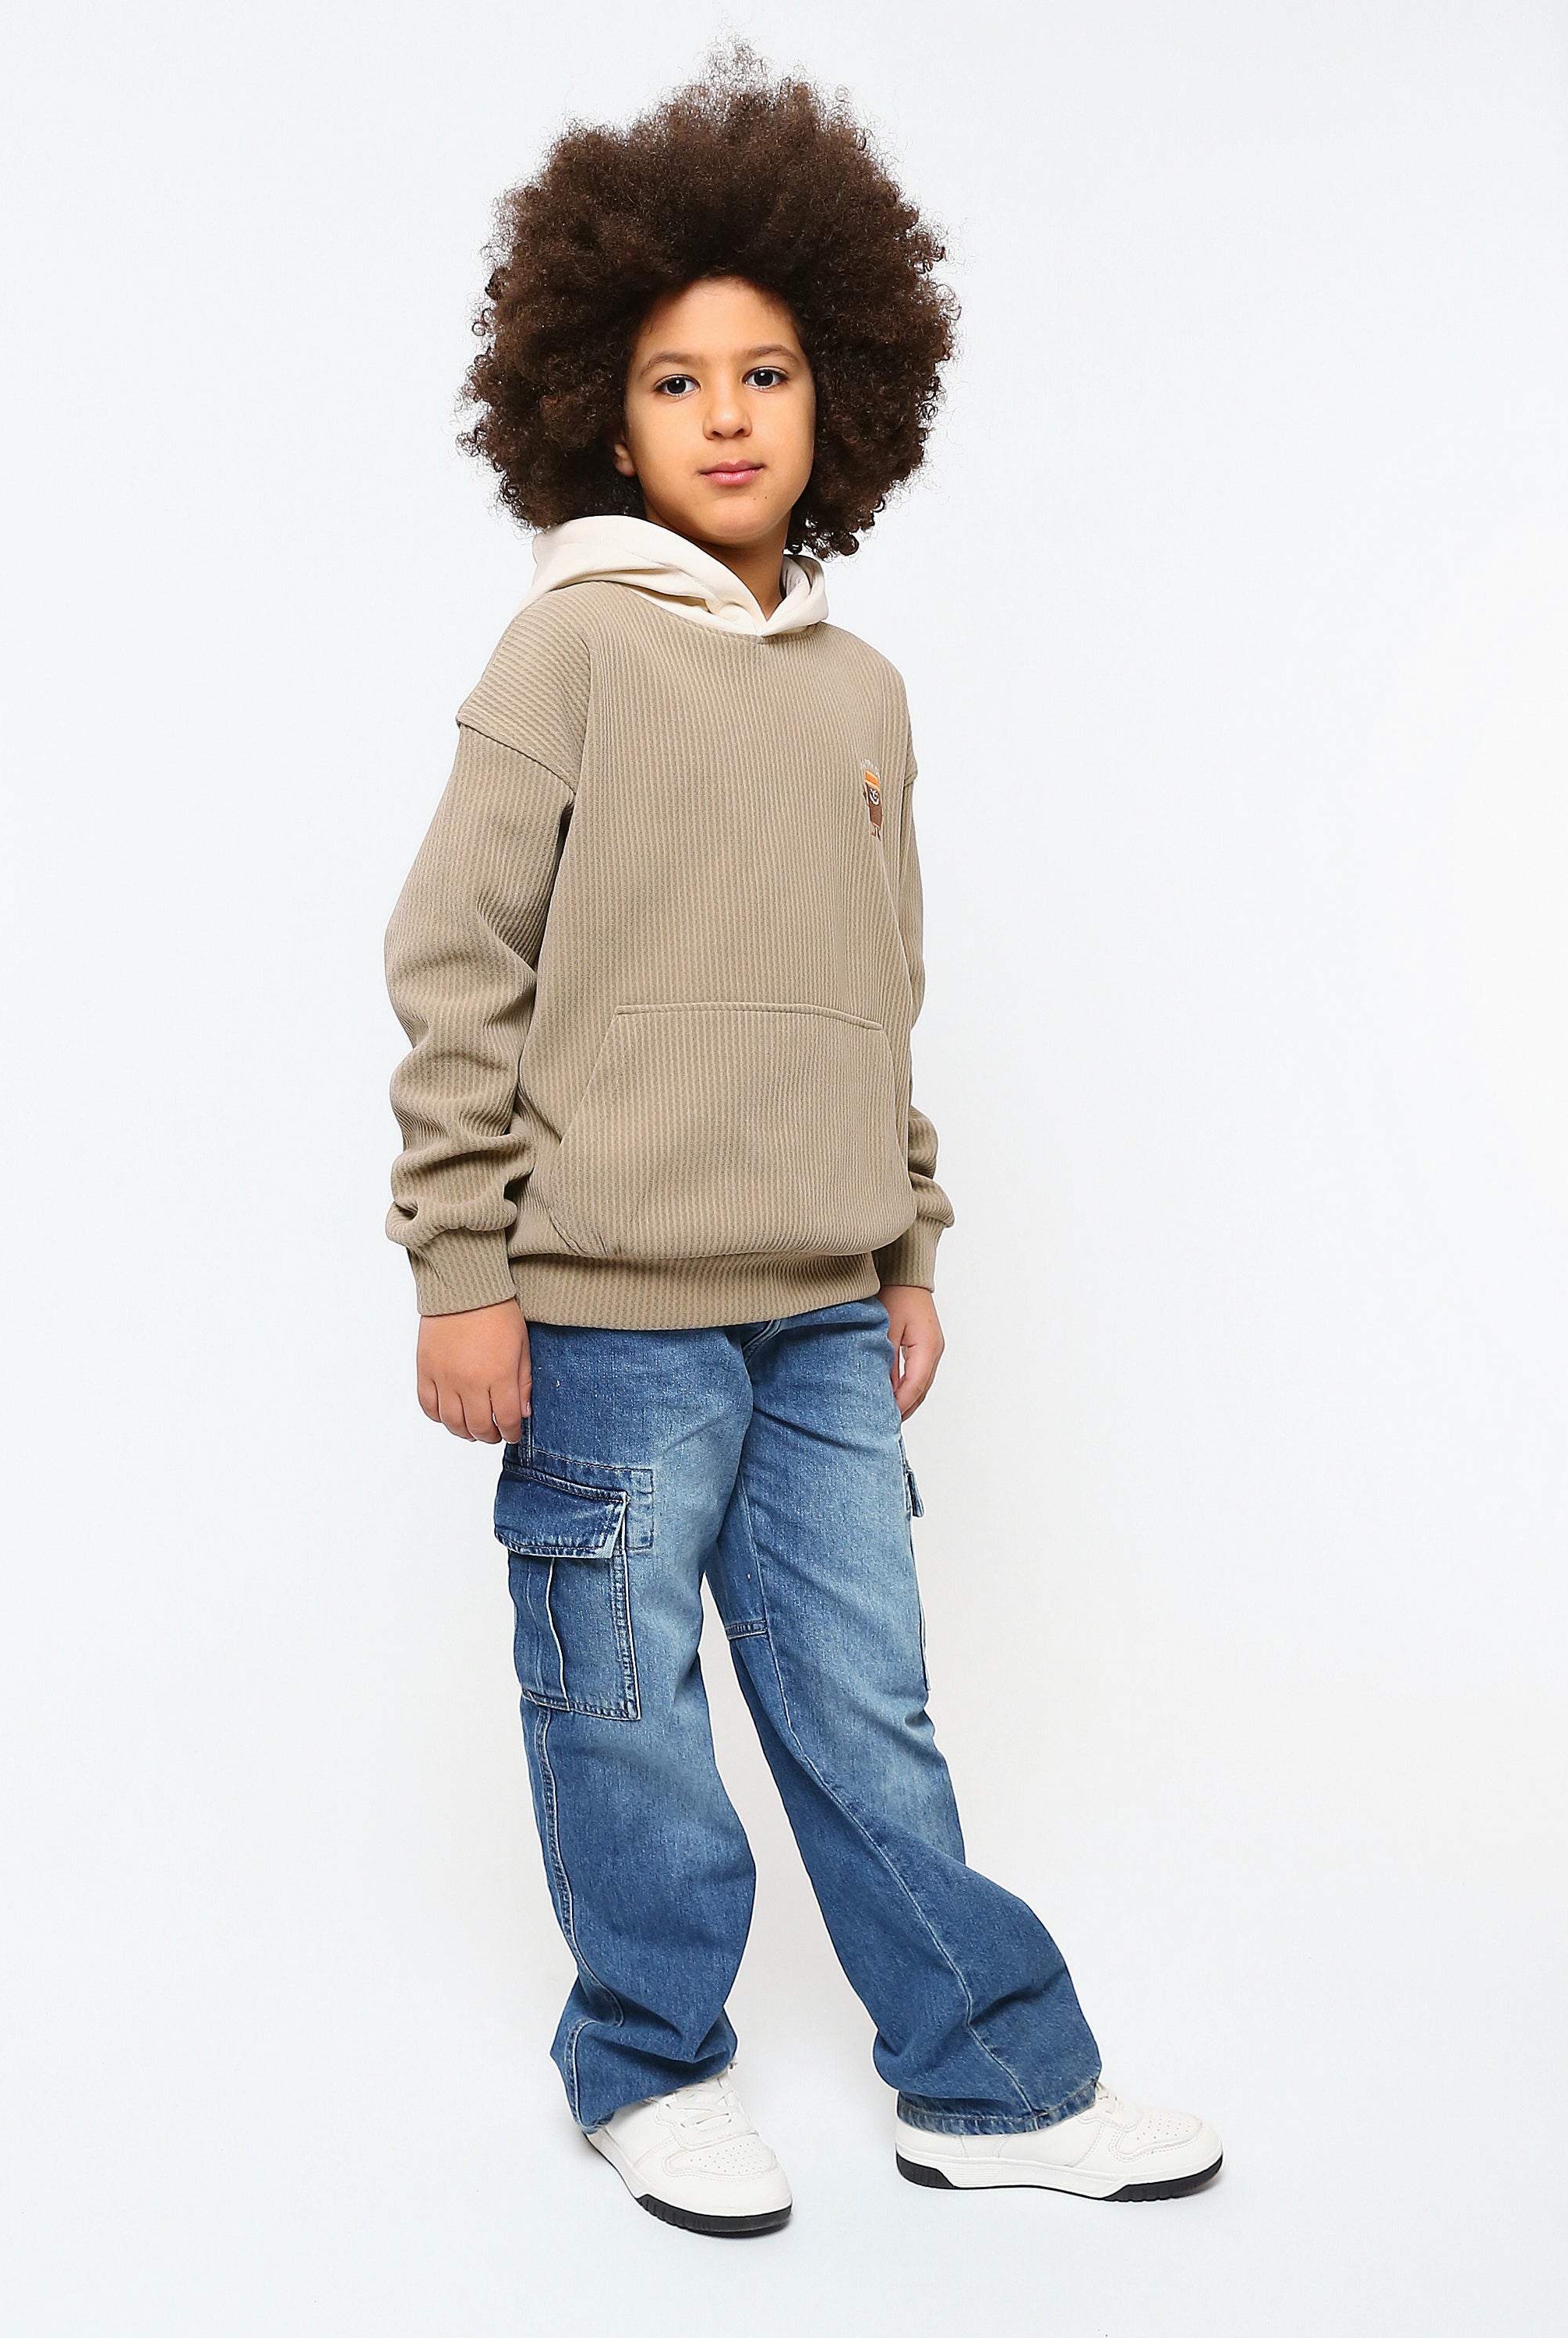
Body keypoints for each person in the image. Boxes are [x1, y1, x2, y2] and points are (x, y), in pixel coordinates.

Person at [383, 43, 1223, 2237]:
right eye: (677, 382)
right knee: (625, 1709)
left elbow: (878, 986)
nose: (730, 416)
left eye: (766, 373)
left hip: (826, 1314)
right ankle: (648, 2063)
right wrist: (461, 1272)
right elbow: (453, 961)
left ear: (842, 389)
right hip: (607, 1319)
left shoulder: (862, 691)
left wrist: (907, 1243)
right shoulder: (566, 651)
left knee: (870, 1704)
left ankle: (988, 2081)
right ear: (599, 414)